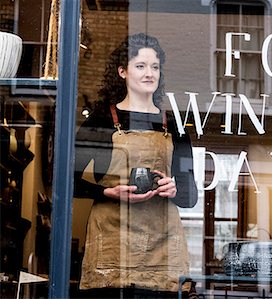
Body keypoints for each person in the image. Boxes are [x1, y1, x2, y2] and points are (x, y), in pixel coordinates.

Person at [74, 33, 198, 298]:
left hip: (161, 246)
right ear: (122, 71)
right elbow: (65, 179)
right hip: (112, 241)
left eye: (155, 67)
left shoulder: (174, 126)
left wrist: (175, 188)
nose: (149, 73)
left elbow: (191, 197)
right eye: (140, 66)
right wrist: (107, 192)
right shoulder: (102, 120)